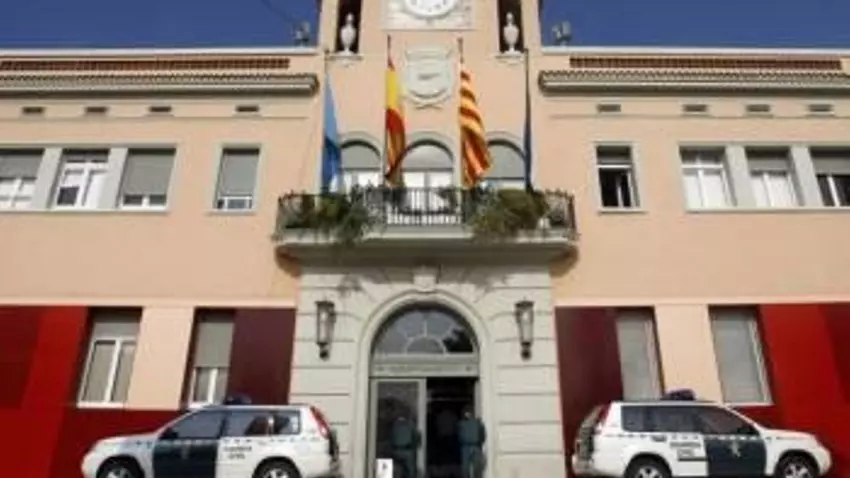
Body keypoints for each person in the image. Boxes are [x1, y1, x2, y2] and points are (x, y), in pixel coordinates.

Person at [457, 407, 485, 478]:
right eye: (466, 413)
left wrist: (479, 443)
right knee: (466, 468)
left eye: (469, 412)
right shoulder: (461, 423)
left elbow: (482, 435)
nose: (467, 414)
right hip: (466, 446)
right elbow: (459, 435)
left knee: (477, 467)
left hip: (475, 446)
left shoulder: (477, 423)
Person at [391, 413, 421, 478]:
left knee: (401, 470)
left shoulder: (395, 425)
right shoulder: (409, 425)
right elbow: (417, 437)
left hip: (399, 450)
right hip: (406, 451)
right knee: (409, 471)